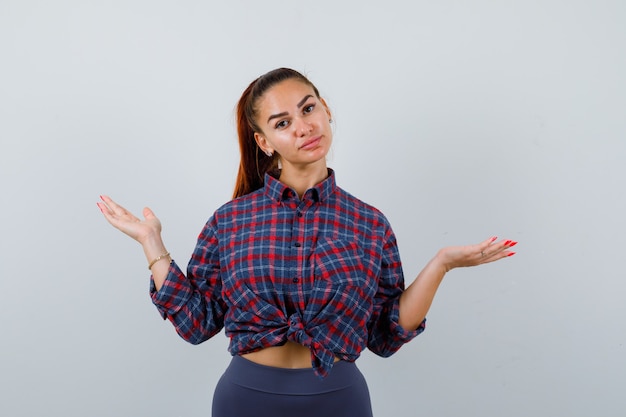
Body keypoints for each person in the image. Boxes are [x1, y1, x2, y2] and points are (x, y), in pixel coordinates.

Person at [97, 67, 517, 417]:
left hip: (340, 400)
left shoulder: (370, 224)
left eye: (308, 108)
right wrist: (152, 244)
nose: (304, 127)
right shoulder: (230, 221)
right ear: (264, 141)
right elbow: (198, 323)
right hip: (246, 399)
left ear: (326, 110)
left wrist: (441, 264)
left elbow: (384, 336)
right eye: (282, 123)